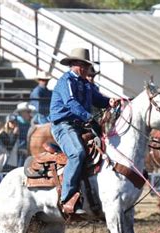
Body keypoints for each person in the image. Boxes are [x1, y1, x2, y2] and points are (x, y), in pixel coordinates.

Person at [49, 47, 120, 214]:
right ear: (77, 65)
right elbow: (71, 103)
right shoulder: (66, 81)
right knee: (77, 153)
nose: (89, 70)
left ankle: (92, 196)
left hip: (79, 125)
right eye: (86, 66)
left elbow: (98, 100)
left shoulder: (86, 84)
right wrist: (89, 118)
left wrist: (109, 101)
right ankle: (67, 197)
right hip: (63, 125)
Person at [15, 101, 35, 166]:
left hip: (29, 150)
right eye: (27, 112)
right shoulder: (16, 123)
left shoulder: (31, 123)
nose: (29, 113)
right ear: (22, 113)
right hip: (19, 151)